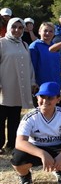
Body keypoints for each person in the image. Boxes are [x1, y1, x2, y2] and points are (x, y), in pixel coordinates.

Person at [11, 82, 61, 184]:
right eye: (42, 96)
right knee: (17, 159)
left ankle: (60, 169)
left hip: (57, 147)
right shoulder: (30, 117)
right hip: (35, 148)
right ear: (37, 97)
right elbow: (20, 142)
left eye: (50, 98)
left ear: (58, 99)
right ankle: (25, 176)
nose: (45, 101)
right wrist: (42, 154)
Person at [0, 17, 36, 153]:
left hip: (18, 87)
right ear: (9, 27)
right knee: (1, 117)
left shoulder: (24, 45)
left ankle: (12, 144)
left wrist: (32, 82)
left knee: (15, 117)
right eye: (14, 27)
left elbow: (29, 66)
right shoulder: (1, 43)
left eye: (20, 27)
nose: (17, 30)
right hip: (4, 87)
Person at [29, 22, 61, 87]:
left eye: (51, 31)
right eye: (45, 31)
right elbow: (32, 68)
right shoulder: (35, 46)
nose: (48, 33)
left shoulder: (55, 46)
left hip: (55, 83)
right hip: (41, 85)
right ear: (39, 31)